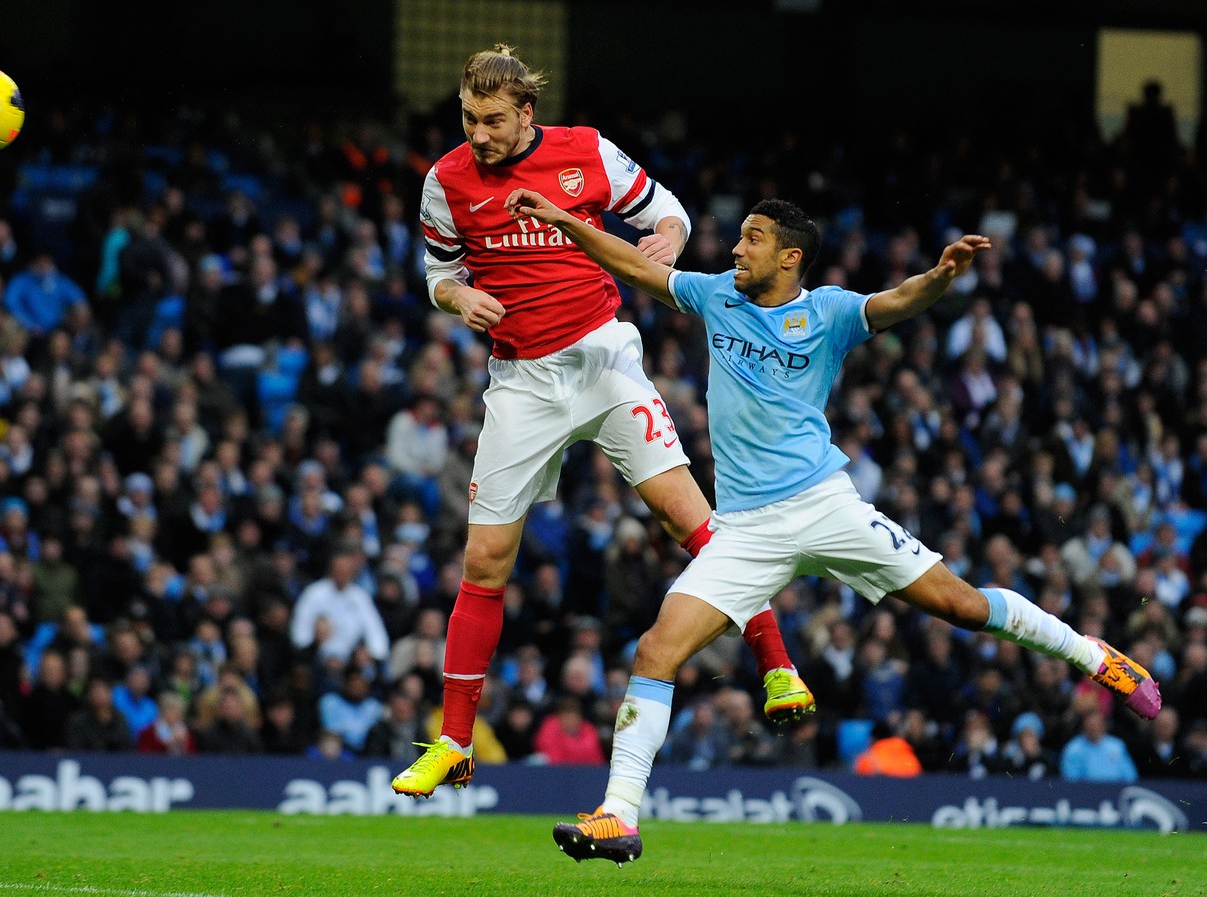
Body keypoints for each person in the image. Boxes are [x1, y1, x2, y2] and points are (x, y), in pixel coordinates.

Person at [504, 189, 1162, 864]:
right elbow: (639, 268)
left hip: (826, 504)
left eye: (752, 239)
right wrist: (563, 222)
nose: (735, 248)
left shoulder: (828, 311)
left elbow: (895, 302)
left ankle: (1093, 655)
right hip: (744, 530)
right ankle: (619, 815)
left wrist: (938, 278)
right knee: (655, 652)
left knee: (962, 605)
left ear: (790, 257)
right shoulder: (713, 295)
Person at [392, 44, 810, 798]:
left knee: (691, 518)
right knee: (485, 559)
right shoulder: (445, 181)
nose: (477, 134)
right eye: (467, 118)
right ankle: (454, 740)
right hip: (521, 380)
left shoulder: (587, 153)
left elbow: (669, 211)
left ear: (526, 113)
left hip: (602, 357)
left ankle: (777, 664)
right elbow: (439, 274)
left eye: (491, 120)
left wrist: (670, 239)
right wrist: (460, 299)